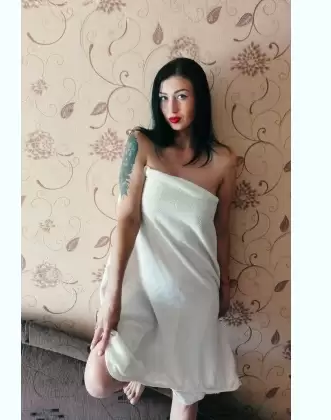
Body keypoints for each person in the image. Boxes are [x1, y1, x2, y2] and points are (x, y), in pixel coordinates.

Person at [84, 57, 241, 420]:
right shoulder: (141, 144)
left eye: (182, 96)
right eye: (163, 97)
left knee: (186, 394)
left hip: (194, 289)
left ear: (199, 99)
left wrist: (226, 286)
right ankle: (144, 370)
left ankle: (165, 378)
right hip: (143, 280)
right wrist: (112, 297)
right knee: (98, 380)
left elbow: (222, 229)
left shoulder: (225, 162)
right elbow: (127, 218)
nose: (171, 108)